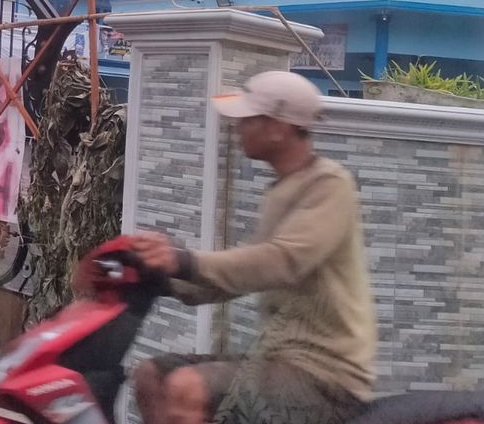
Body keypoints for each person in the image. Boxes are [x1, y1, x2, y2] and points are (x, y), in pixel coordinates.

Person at [130, 70, 376, 424]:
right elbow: (235, 277)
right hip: (278, 363)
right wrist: (155, 277)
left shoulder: (330, 185)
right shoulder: (282, 190)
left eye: (248, 120)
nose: (238, 127)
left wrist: (182, 261)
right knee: (151, 376)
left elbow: (280, 260)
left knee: (187, 386)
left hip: (327, 376)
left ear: (278, 127)